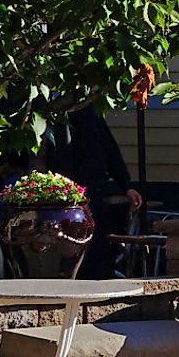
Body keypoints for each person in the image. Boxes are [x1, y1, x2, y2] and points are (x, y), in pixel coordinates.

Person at [46, 109, 141, 279]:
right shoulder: (62, 114)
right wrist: (72, 194)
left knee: (99, 250)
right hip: (73, 197)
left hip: (96, 192)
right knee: (78, 250)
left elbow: (110, 149)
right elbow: (62, 157)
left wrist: (126, 186)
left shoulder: (93, 112)